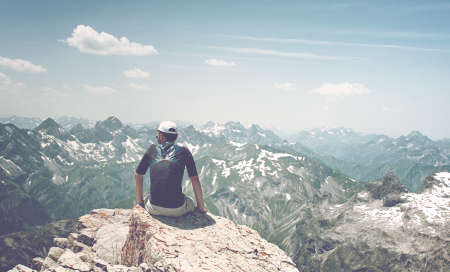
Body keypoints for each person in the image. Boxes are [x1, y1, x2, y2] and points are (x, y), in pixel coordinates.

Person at [134, 121, 207, 217]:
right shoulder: (184, 151)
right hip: (177, 209)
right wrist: (201, 207)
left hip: (154, 208)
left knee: (148, 197)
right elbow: (194, 179)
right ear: (176, 137)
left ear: (161, 135)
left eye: (157, 134)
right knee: (190, 201)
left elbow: (138, 175)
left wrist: (140, 202)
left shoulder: (152, 150)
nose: (156, 137)